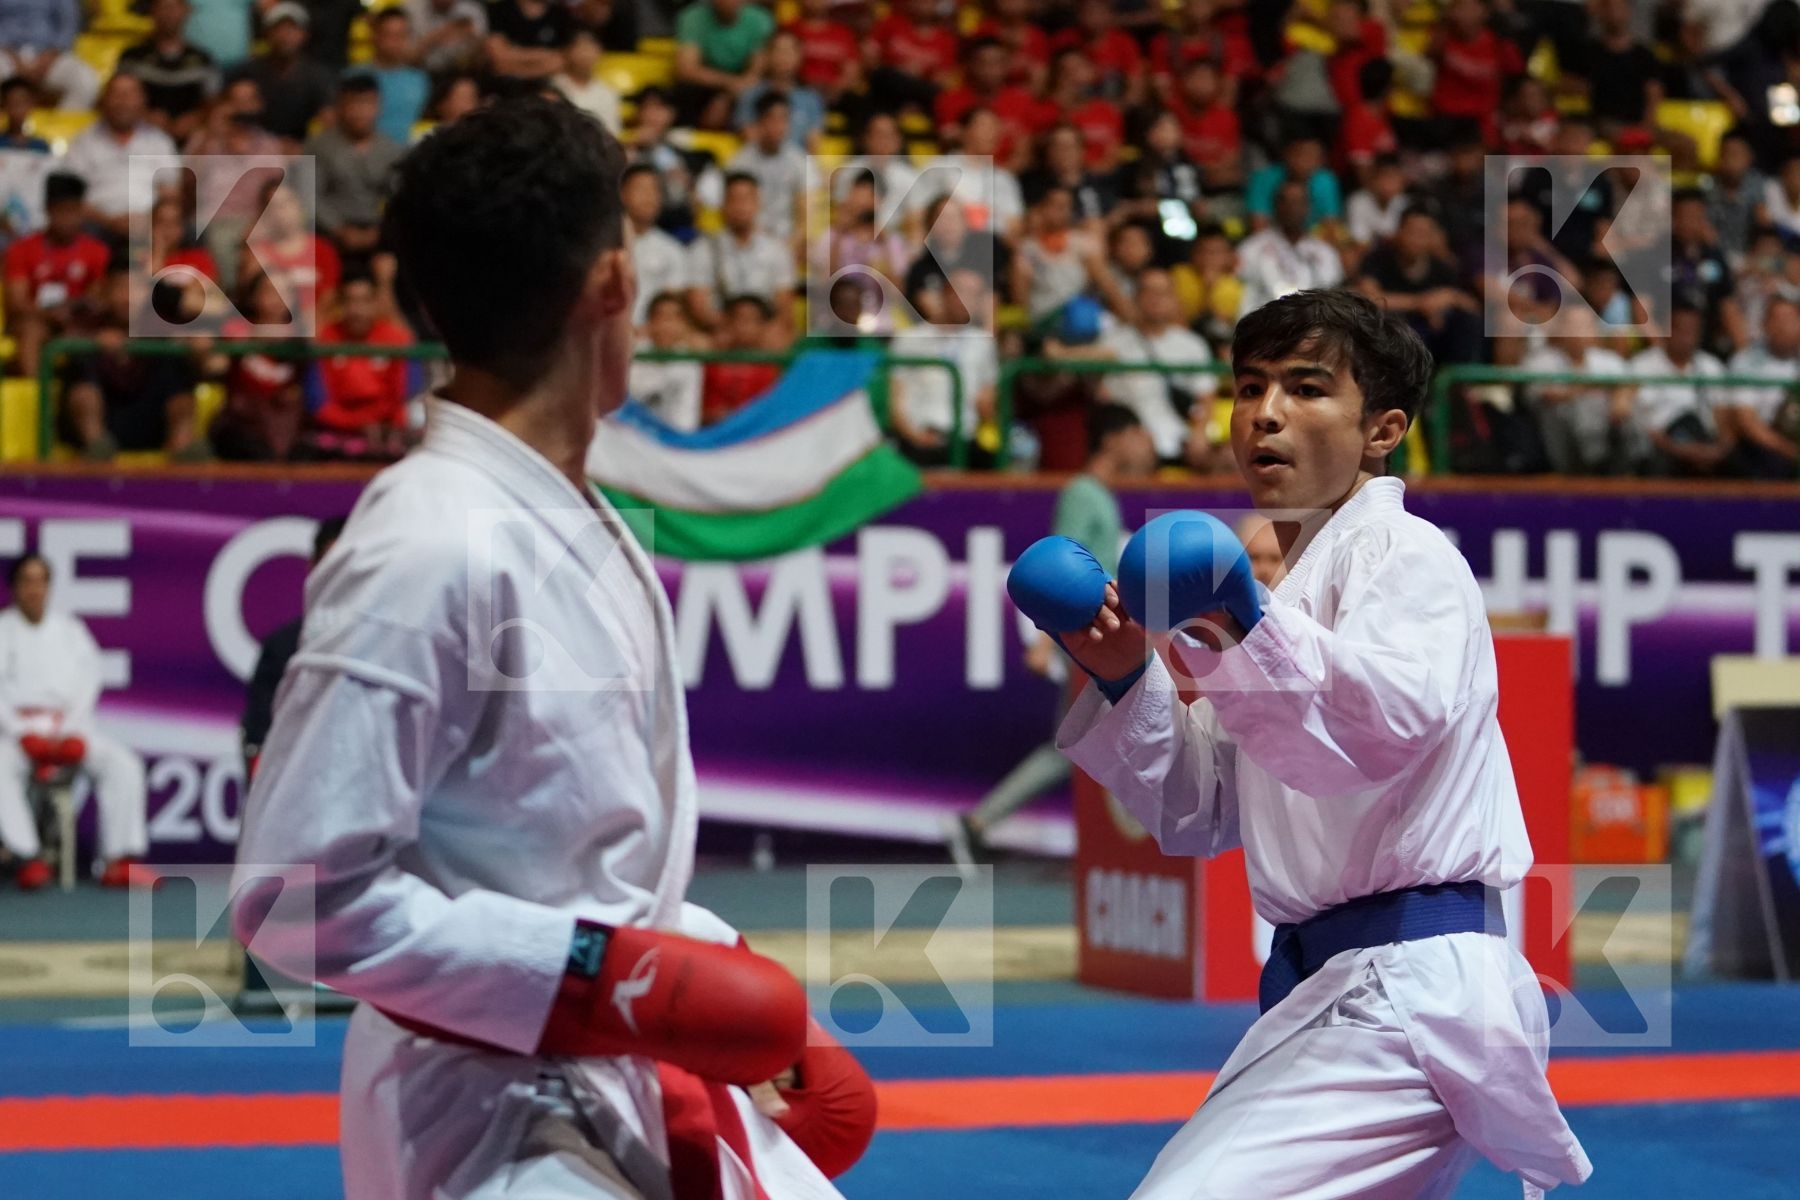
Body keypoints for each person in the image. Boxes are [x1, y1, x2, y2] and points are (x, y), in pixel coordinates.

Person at [233, 96, 873, 1200]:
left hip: (609, 1072)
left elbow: (575, 847)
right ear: (616, 283)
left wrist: (709, 960)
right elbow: (295, 898)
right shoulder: (425, 545)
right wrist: (598, 977)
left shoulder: (569, 514)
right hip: (496, 1125)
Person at [1006, 288, 1592, 1198]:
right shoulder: (1281, 597)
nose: (1265, 414)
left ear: (1382, 431)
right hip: (1331, 988)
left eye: (1307, 389)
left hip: (1408, 986)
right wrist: (1125, 672)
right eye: (1248, 388)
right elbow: (1200, 810)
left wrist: (1243, 615)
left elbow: (1380, 730)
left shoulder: (1408, 554)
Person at [944, 403, 1157, 871]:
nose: (1149, 443)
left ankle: (981, 824)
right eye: (1139, 432)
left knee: (1088, 744)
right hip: (1087, 645)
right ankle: (978, 824)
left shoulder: (1096, 493)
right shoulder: (1083, 494)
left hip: (1100, 641)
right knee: (1087, 743)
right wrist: (1046, 643)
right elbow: (1060, 566)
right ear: (1114, 439)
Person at [0, 554, 153, 891]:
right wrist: (21, 731)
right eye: (27, 580)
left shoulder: (71, 631)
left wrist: (71, 731)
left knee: (122, 763)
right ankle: (28, 856)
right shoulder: (3, 629)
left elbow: (88, 682)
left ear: (50, 586)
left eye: (41, 581)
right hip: (14, 734)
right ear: (14, 587)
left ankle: (120, 859)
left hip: (66, 727)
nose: (34, 589)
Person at [240, 516, 346, 776]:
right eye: (331, 565)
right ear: (313, 568)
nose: (341, 577)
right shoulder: (283, 647)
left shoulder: (389, 642)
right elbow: (259, 738)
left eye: (348, 566)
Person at [4, 172, 110, 378]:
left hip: (79, 322)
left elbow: (98, 297)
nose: (68, 219)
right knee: (31, 331)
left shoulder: (97, 251)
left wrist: (74, 310)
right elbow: (16, 302)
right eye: (62, 212)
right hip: (36, 320)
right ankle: (36, 399)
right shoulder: (22, 249)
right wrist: (50, 313)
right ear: (48, 211)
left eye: (74, 211)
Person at [63, 73, 181, 245]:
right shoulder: (83, 142)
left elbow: (170, 193)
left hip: (149, 224)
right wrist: (109, 222)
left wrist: (147, 219)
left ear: (142, 100)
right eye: (116, 94)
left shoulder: (159, 142)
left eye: (130, 94)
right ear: (104, 100)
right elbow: (72, 197)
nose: (123, 101)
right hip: (97, 225)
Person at [308, 76, 406, 262]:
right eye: (353, 104)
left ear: (378, 106)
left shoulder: (391, 149)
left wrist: (380, 230)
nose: (360, 112)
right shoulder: (319, 147)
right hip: (331, 232)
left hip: (377, 230)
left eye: (367, 104)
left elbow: (398, 196)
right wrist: (338, 228)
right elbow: (310, 195)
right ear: (339, 106)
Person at [1235, 178, 1345, 315]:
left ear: (1308, 207)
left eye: (1298, 202)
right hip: (1264, 326)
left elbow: (1331, 293)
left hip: (1311, 327)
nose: (1292, 207)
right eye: (1285, 201)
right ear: (1275, 205)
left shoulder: (1325, 252)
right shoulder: (1251, 247)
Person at [232, 2, 335, 145]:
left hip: (302, 152)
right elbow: (227, 118)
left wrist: (305, 148)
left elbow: (329, 121)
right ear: (266, 33)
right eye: (278, 29)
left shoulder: (317, 75)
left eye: (292, 29)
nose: (285, 36)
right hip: (253, 151)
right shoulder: (247, 72)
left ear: (305, 34)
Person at [118, 0, 220, 140]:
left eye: (174, 7)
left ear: (186, 11)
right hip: (142, 139)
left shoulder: (203, 60)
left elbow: (213, 101)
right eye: (163, 7)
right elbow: (115, 99)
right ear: (152, 11)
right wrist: (145, 115)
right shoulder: (132, 57)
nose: (169, 13)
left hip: (192, 139)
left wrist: (197, 117)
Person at [362, 9, 431, 145]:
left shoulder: (421, 81)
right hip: (364, 158)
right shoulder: (354, 77)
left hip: (409, 156)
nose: (394, 42)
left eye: (401, 35)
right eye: (389, 35)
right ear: (375, 36)